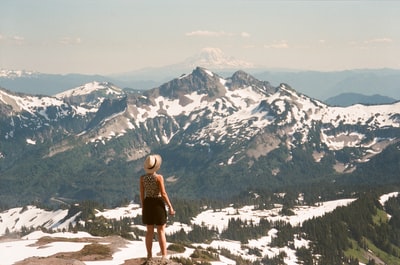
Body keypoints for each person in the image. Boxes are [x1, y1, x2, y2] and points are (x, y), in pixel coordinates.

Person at [140, 154, 175, 261]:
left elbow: (142, 193)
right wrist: (170, 206)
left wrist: (143, 206)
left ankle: (149, 255)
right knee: (161, 230)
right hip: (158, 203)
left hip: (148, 203)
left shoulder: (142, 178)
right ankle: (164, 255)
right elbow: (163, 193)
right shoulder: (159, 177)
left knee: (149, 231)